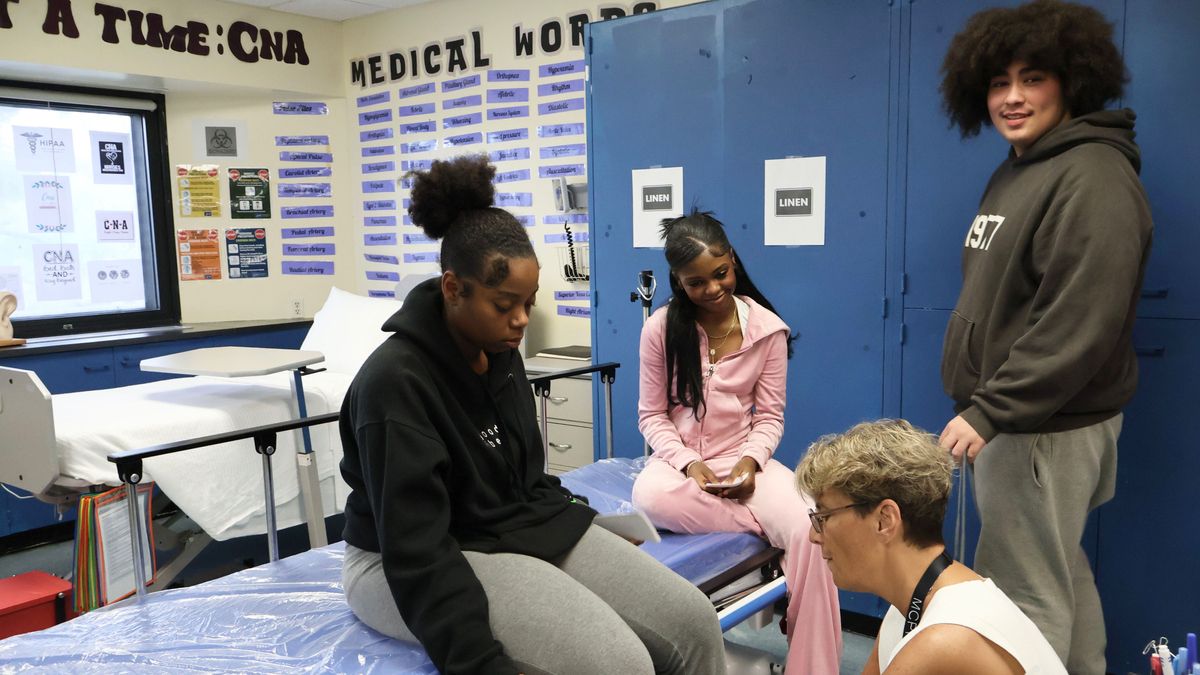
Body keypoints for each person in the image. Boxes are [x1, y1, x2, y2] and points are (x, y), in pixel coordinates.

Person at [338, 156, 725, 675]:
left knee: (692, 620)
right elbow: (417, 551)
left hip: (502, 528)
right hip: (399, 561)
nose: (521, 320)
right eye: (504, 305)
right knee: (619, 664)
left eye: (529, 302)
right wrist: (478, 663)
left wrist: (580, 520)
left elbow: (522, 479)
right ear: (453, 289)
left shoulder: (498, 353)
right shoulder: (395, 385)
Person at [936, 2, 1153, 672]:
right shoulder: (1019, 168)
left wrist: (993, 408)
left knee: (1022, 594)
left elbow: (1078, 318)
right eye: (1000, 83)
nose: (1012, 97)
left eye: (1033, 79)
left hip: (1039, 426)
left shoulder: (1092, 175)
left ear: (1072, 81)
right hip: (1026, 422)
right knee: (1059, 573)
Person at [631, 210, 841, 674]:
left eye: (720, 273)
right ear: (678, 281)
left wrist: (750, 461)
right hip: (679, 469)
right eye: (695, 282)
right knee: (647, 493)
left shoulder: (767, 331)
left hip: (744, 458)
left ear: (733, 260)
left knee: (811, 526)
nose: (712, 289)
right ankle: (764, 525)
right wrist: (688, 464)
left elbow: (769, 417)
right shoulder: (660, 330)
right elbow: (652, 415)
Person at [796, 419, 1067, 674]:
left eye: (824, 517)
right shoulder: (910, 608)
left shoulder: (943, 639)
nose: (813, 535)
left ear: (884, 520)